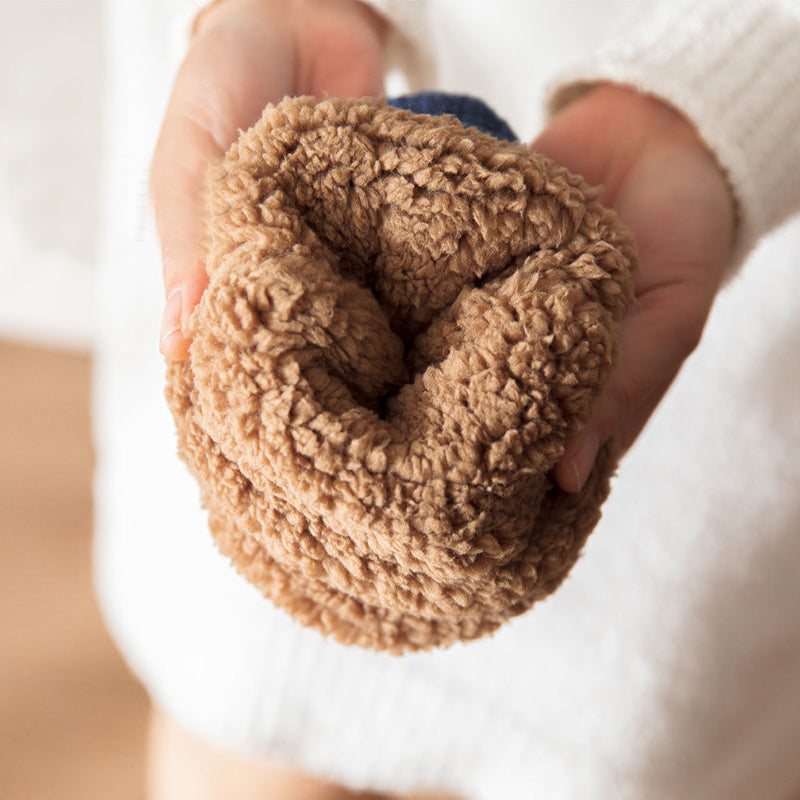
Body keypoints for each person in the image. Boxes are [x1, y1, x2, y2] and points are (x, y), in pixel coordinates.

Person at [94, 1, 800, 798]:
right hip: (303, 102)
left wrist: (733, 88)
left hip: (725, 311)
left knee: (630, 732)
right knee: (236, 699)